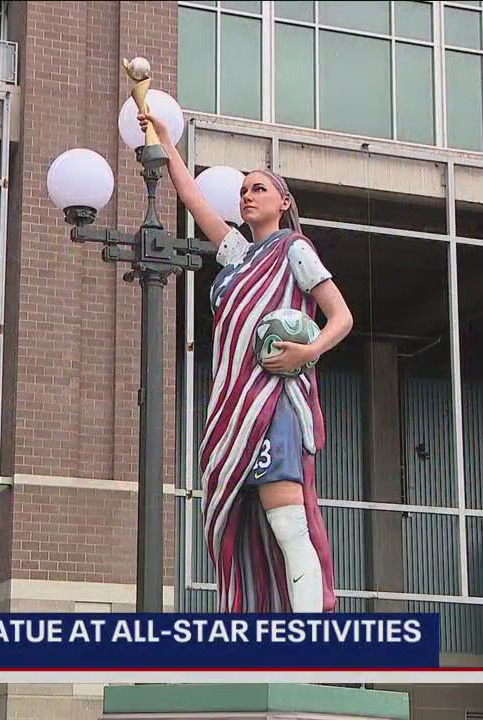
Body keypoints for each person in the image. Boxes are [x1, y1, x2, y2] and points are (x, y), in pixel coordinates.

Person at [138, 111, 354, 613]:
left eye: (259, 189)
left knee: (287, 521)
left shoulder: (294, 249)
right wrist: (166, 142)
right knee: (241, 527)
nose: (247, 197)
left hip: (273, 402)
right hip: (231, 408)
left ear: (284, 202)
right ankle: (261, 622)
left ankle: (307, 632)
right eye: (243, 192)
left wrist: (308, 351)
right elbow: (192, 198)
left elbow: (341, 316)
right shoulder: (237, 254)